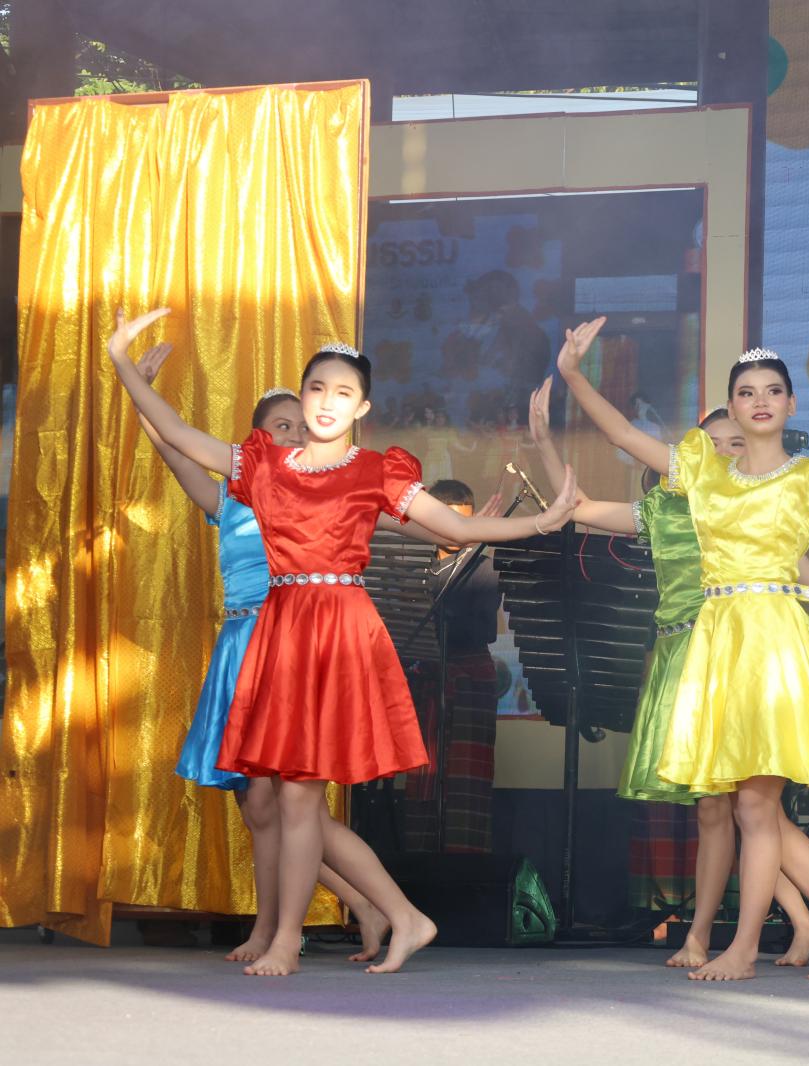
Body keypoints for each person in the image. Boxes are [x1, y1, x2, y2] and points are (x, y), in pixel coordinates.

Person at [106, 307, 580, 977]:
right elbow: (181, 437)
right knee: (292, 795)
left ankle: (295, 939)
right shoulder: (263, 464)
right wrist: (122, 364)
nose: (327, 402)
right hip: (280, 630)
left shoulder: (375, 470)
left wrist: (542, 521)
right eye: (317, 389)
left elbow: (454, 528)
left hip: (338, 632)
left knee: (301, 795)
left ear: (363, 407)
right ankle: (354, 926)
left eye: (343, 392)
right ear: (304, 397)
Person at [559, 317, 809, 980]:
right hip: (719, 644)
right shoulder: (702, 470)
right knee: (755, 807)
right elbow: (624, 436)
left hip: (774, 643)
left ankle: (747, 947)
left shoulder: (808, 475)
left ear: (791, 404)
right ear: (732, 404)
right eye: (746, 391)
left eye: (772, 390)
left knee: (755, 805)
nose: (759, 400)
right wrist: (574, 373)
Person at [525, 381, 809, 970]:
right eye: (715, 444)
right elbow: (574, 507)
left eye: (736, 443)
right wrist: (546, 442)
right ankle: (793, 925)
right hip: (689, 660)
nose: (727, 453)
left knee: (750, 811)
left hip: (738, 659)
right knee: (735, 812)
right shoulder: (664, 509)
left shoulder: (758, 509)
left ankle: (740, 935)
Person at [129, 355, 394, 963]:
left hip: (287, 645)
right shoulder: (229, 494)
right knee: (260, 809)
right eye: (281, 425)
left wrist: (463, 528)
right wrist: (140, 391)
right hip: (240, 648)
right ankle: (323, 916)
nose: (295, 433)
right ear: (255, 437)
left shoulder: (324, 493)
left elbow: (388, 516)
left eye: (299, 425)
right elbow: (172, 444)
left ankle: (321, 921)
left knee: (287, 804)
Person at [403, 479, 503, 855]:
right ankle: (419, 859)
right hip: (426, 677)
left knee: (466, 781)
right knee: (422, 775)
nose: (456, 532)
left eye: (464, 522)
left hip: (469, 677)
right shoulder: (415, 567)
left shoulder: (485, 568)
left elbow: (480, 629)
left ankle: (464, 864)